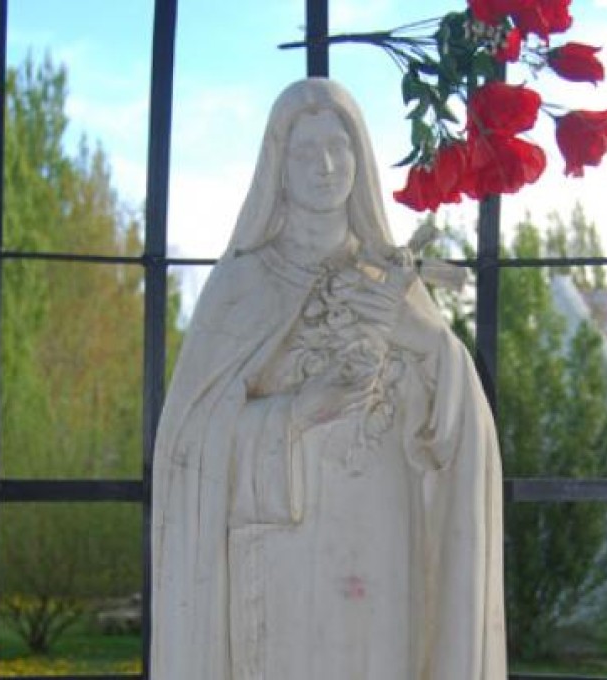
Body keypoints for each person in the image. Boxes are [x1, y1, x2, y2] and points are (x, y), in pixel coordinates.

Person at [151, 78, 507, 679]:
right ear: (278, 166)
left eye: (339, 148)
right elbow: (189, 448)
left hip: (381, 546)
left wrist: (424, 341)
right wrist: (295, 412)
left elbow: (454, 432)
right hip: (282, 557)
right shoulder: (240, 287)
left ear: (359, 158)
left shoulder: (389, 281)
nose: (324, 166)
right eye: (304, 151)